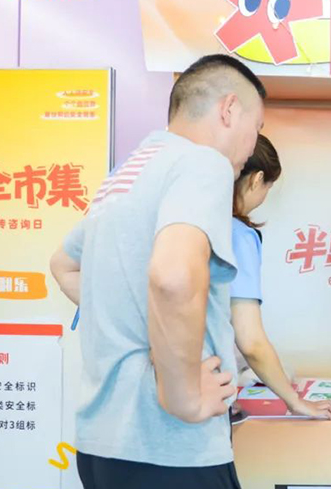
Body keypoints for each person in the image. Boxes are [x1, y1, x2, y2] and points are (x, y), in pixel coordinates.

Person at [49, 54, 265, 489]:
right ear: (229, 109)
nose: (251, 147)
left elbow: (65, 265)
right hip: (170, 449)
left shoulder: (130, 171)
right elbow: (173, 276)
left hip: (101, 446)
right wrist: (183, 397)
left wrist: (141, 330)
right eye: (256, 128)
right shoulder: (203, 163)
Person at [229, 134, 331, 421]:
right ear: (256, 179)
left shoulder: (187, 223)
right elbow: (251, 341)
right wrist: (295, 402)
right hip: (206, 402)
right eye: (268, 187)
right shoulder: (239, 236)